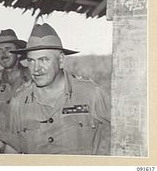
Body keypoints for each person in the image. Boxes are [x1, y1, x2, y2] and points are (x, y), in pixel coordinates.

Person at [6, 23, 110, 155]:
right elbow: (11, 149)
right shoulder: (19, 101)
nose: (36, 68)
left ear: (61, 60)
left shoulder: (91, 95)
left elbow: (127, 131)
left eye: (44, 60)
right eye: (31, 61)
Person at [0, 29, 31, 153]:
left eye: (8, 49)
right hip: (4, 151)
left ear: (19, 54)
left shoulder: (34, 78)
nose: (3, 54)